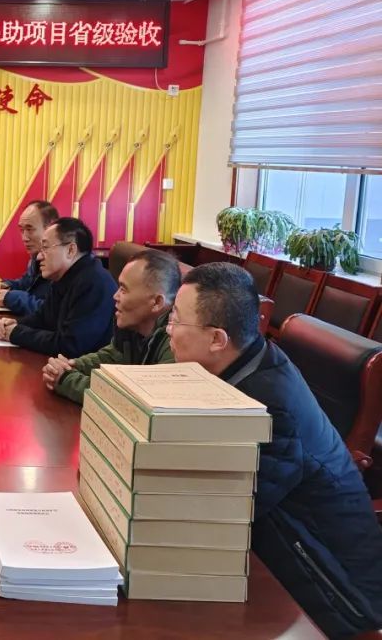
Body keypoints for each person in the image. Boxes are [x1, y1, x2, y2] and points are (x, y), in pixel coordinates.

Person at [169, 262, 382, 638]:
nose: (168, 330)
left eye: (176, 319)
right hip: (280, 554)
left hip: (335, 594)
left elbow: (230, 510)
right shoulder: (246, 365)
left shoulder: (269, 406)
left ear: (217, 339)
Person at [43, 249, 179, 403]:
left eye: (123, 289)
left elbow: (136, 401)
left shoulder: (175, 342)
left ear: (157, 302)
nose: (115, 296)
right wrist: (72, 366)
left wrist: (66, 379)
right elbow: (112, 356)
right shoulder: (133, 327)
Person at [0, 217, 115, 357]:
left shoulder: (94, 283)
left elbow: (70, 345)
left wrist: (17, 333)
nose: (39, 257)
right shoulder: (63, 277)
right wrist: (16, 323)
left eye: (45, 248)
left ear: (70, 250)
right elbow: (44, 318)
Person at [0, 200, 58, 315]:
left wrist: (11, 298)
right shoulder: (36, 257)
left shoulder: (62, 263)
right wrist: (8, 285)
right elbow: (26, 283)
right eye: (22, 230)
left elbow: (50, 311)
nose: (24, 238)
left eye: (30, 229)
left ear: (50, 228)